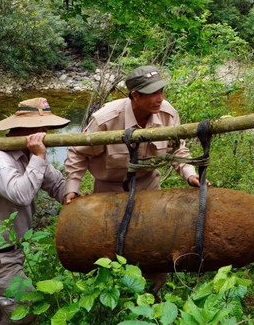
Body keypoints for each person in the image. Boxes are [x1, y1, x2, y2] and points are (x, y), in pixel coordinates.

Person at [63, 65, 203, 290]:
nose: (160, 98)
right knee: (108, 248)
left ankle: (152, 295)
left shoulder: (167, 114)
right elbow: (78, 152)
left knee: (153, 244)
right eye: (153, 94)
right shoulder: (106, 119)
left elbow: (177, 150)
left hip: (149, 188)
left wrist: (190, 175)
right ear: (135, 96)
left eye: (162, 91)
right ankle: (111, 299)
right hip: (109, 191)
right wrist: (72, 188)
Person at [0, 98, 70, 325]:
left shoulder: (26, 156)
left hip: (6, 256)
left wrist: (72, 197)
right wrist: (39, 156)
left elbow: (56, 184)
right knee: (27, 311)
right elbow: (21, 195)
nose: (45, 133)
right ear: (25, 130)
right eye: (41, 129)